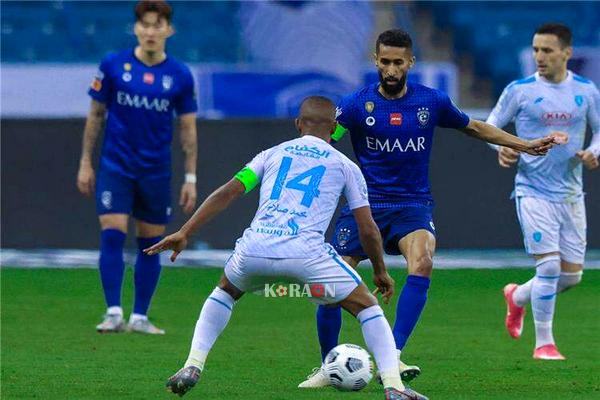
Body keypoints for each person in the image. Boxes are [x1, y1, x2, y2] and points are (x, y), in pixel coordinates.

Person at [299, 29, 558, 388]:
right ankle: (327, 367)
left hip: (412, 206)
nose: (391, 69)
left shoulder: (431, 102)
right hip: (365, 206)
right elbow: (325, 144)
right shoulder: (357, 105)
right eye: (385, 62)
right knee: (329, 284)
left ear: (410, 63)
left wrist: (524, 144)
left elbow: (477, 127)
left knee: (422, 260)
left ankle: (394, 353)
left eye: (398, 62)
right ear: (376, 61)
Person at [145, 96, 428, 400]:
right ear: (334, 128)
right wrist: (380, 270)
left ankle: (192, 365)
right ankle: (394, 387)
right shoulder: (345, 166)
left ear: (297, 124)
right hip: (306, 254)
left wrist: (185, 231)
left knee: (225, 291)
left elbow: (228, 193)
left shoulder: (270, 154)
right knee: (367, 307)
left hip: (255, 248)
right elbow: (367, 227)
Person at [76, 0, 198, 334]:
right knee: (112, 233)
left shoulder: (180, 75)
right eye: (144, 25)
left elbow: (187, 129)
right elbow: (95, 116)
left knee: (151, 243)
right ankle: (113, 312)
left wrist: (190, 176)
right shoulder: (113, 66)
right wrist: (86, 162)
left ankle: (140, 317)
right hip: (116, 166)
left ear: (168, 30)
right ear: (136, 28)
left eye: (157, 25)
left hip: (155, 171)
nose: (150, 32)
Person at [487, 23, 599, 360]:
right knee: (549, 268)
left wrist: (594, 152)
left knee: (571, 276)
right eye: (536, 50)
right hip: (532, 190)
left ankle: (517, 296)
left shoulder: (586, 90)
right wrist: (501, 148)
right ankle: (544, 344)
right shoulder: (520, 90)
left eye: (547, 50)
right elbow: (490, 126)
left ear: (566, 53)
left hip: (570, 194)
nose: (540, 57)